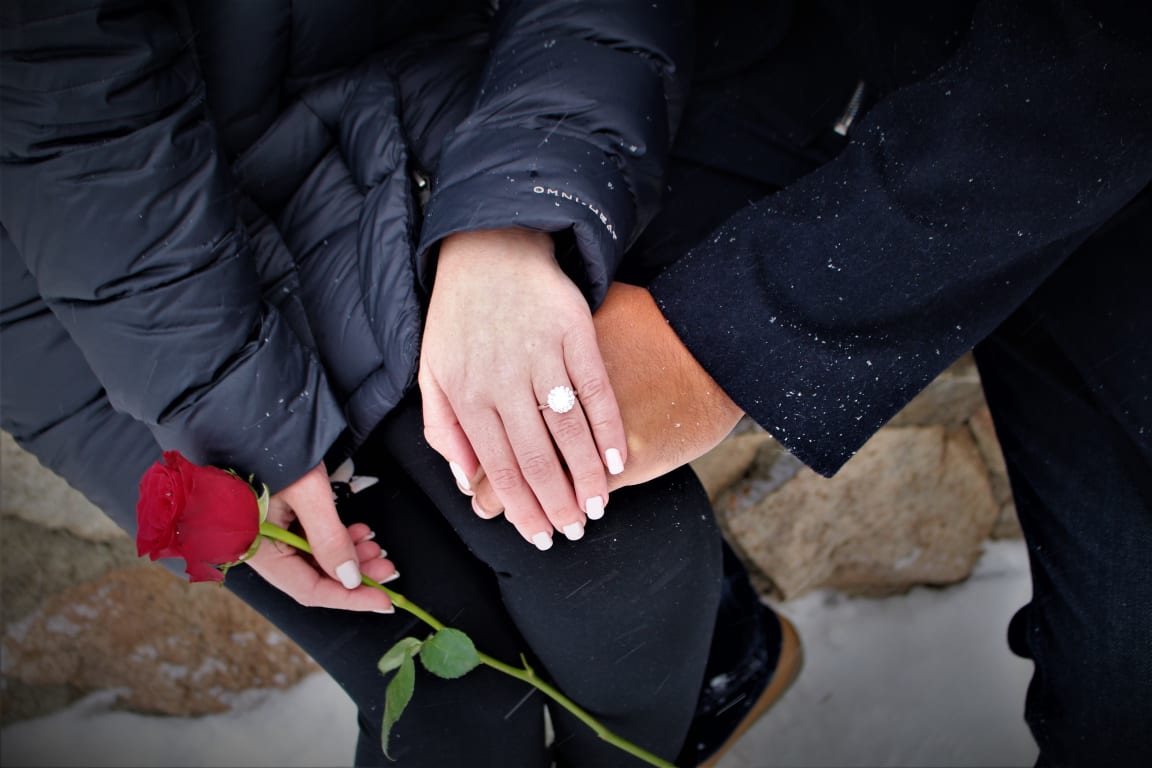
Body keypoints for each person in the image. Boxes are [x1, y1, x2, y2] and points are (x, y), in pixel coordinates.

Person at [0, 1, 799, 766]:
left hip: (381, 118)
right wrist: (233, 408)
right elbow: (72, 93)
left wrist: (510, 217)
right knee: (452, 704)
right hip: (93, 274)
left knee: (614, 549)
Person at [457, 1, 1152, 765]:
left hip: (1085, 160)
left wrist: (725, 339)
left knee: (1116, 692)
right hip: (797, 65)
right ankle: (725, 654)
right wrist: (505, 223)